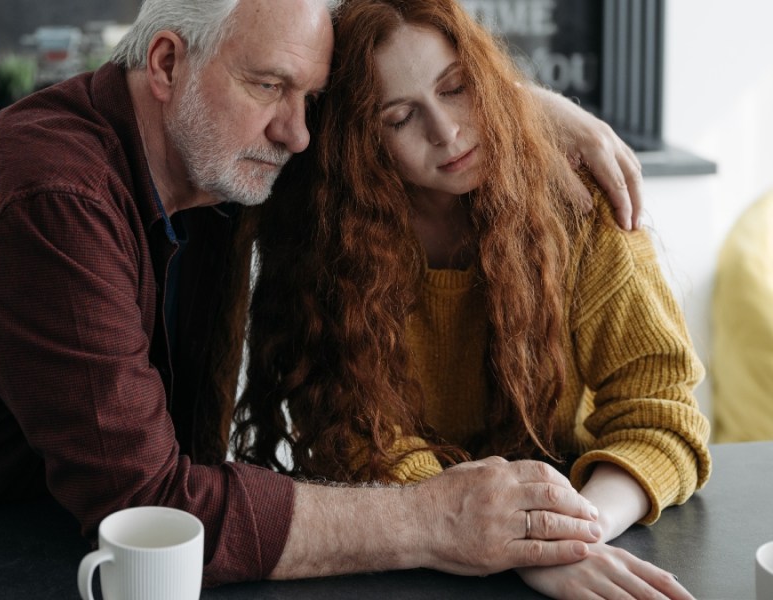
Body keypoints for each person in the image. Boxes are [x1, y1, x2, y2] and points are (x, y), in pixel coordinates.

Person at [0, 0, 642, 587]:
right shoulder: (53, 198)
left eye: (310, 99)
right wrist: (440, 519)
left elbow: (392, 97)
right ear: (167, 64)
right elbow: (152, 512)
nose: (296, 133)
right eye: (270, 85)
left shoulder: (218, 151)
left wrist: (523, 107)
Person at [233, 0, 711, 597]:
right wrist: (504, 540)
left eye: (456, 88)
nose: (446, 130)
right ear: (359, 140)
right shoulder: (333, 244)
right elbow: (356, 442)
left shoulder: (576, 199)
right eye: (400, 117)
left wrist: (563, 539)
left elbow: (660, 411)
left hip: (583, 524)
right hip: (412, 556)